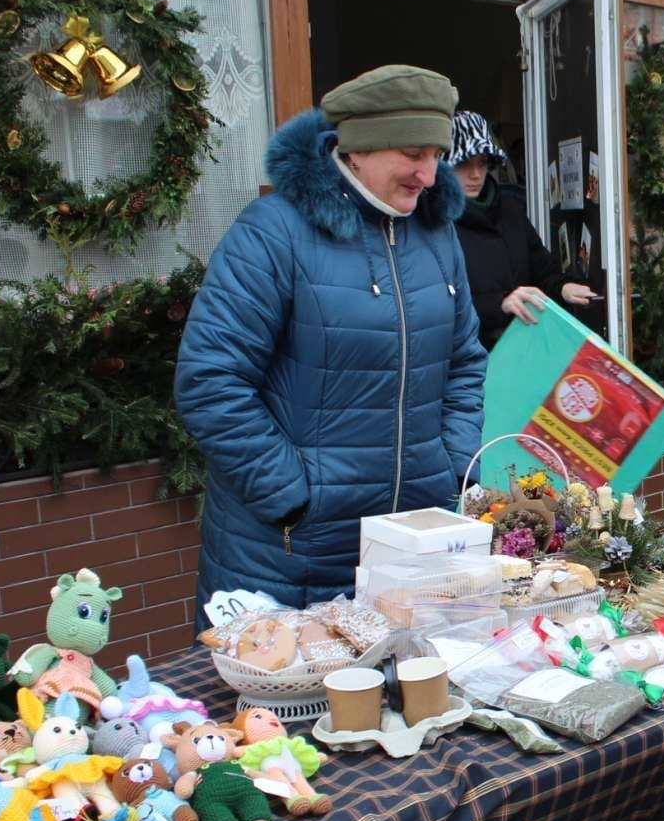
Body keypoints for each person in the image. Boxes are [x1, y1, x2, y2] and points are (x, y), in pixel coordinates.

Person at [175, 65, 486, 624]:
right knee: (287, 712)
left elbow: (464, 362)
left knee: (408, 707)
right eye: (413, 152)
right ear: (359, 150)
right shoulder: (274, 231)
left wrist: (453, 466)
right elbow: (210, 380)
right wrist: (297, 497)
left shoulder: (438, 236)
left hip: (410, 548)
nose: (428, 173)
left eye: (437, 154)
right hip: (291, 553)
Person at [446, 110, 599, 350]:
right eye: (463, 164)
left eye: (482, 163)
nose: (475, 174)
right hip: (468, 362)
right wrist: (499, 304)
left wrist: (562, 288)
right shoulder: (433, 223)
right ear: (444, 166)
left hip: (525, 351)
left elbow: (543, 272)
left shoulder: (510, 211)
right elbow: (436, 308)